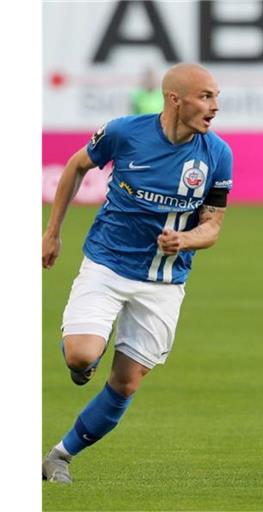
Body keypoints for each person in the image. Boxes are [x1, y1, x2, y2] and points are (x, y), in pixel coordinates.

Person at [41, 63, 233, 483]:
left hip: (164, 283)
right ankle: (86, 350)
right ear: (174, 99)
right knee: (81, 355)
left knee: (125, 385)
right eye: (206, 96)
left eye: (216, 97)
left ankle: (59, 456)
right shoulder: (125, 132)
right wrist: (52, 232)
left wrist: (185, 240)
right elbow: (75, 166)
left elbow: (213, 225)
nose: (215, 106)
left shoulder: (217, 154)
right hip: (107, 264)